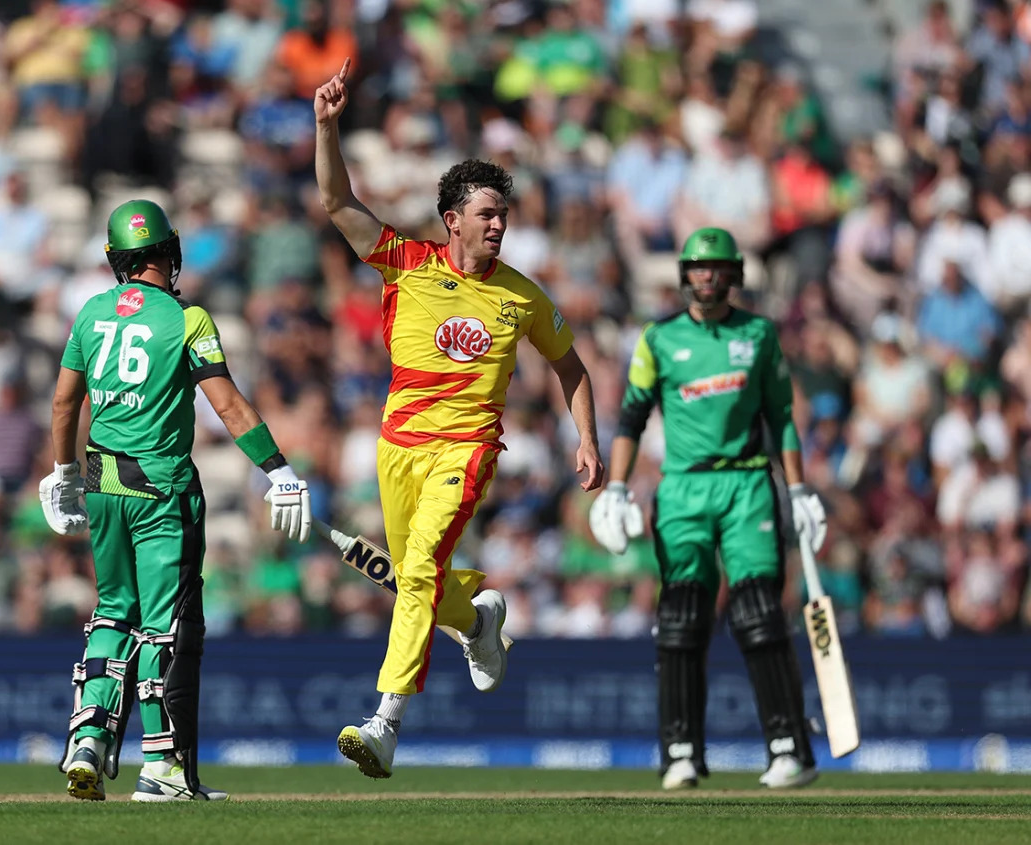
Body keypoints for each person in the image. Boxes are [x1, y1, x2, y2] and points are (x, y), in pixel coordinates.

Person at [314, 59, 604, 779]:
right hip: (396, 445)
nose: (499, 225)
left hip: (466, 448)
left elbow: (571, 366)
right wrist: (325, 125)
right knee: (418, 578)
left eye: (503, 214)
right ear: (454, 222)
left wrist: (588, 438)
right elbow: (335, 201)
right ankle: (478, 620)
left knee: (414, 574)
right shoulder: (405, 263)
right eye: (487, 214)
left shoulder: (523, 297)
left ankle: (384, 723)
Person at [41, 199, 313, 802]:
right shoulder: (188, 320)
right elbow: (229, 405)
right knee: (163, 628)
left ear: (117, 261)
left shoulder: (89, 313)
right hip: (161, 490)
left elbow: (64, 404)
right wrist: (279, 471)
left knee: (113, 611)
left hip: (102, 481)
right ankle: (161, 769)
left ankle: (87, 736)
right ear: (172, 252)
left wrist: (62, 473)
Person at [589, 227, 827, 790]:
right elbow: (630, 418)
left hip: (746, 484)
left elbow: (783, 419)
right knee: (680, 620)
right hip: (682, 489)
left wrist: (798, 491)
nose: (707, 276)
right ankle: (679, 753)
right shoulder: (659, 339)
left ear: (735, 275)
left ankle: (790, 746)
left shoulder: (760, 335)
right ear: (684, 274)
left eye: (717, 267)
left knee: (759, 614)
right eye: (697, 267)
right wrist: (617, 487)